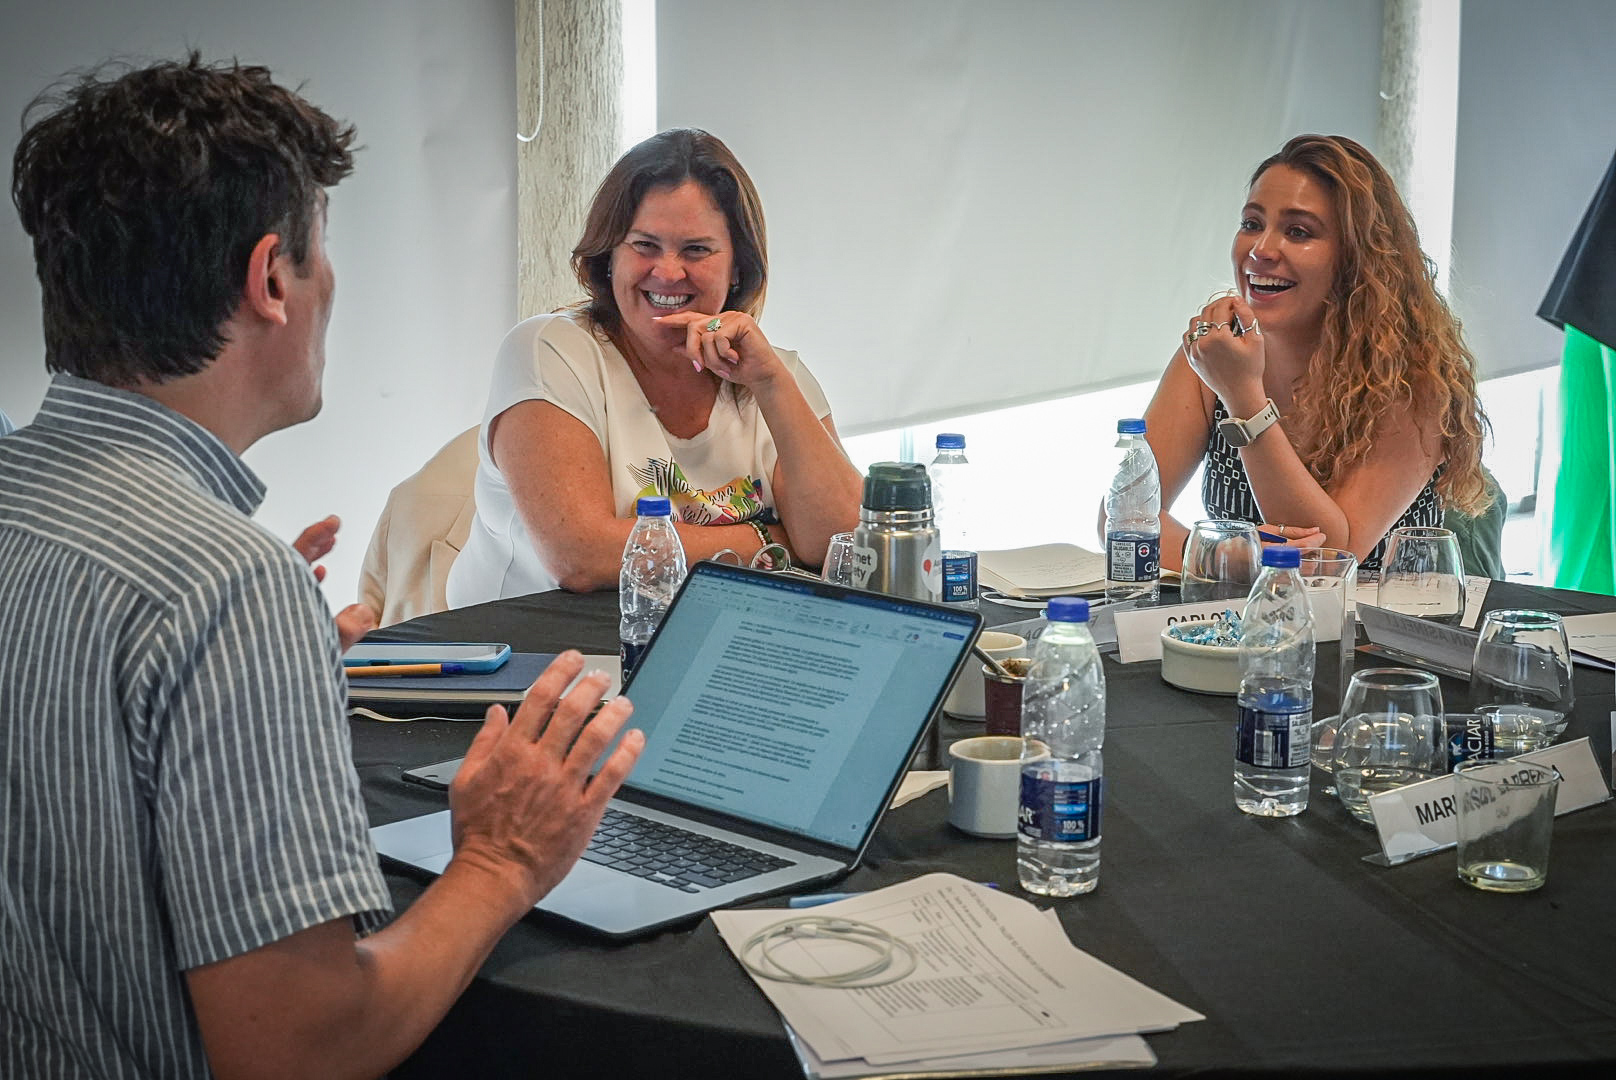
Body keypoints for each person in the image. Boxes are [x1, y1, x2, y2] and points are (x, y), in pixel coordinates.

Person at [0, 55, 642, 1078]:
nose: (331, 284)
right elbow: (300, 1051)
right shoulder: (221, 585)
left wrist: (242, 673)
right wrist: (502, 859)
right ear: (270, 280)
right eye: (322, 250)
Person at [447, 128, 862, 603]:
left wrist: (770, 383)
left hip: (696, 636)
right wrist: (770, 542)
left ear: (738, 267)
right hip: (527, 643)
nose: (667, 272)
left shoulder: (772, 373)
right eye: (644, 245)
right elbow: (581, 556)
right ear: (609, 256)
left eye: (696, 249)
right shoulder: (548, 351)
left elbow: (844, 544)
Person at [1138, 134, 1490, 573]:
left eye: (1298, 232)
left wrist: (1244, 396)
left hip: (1378, 615)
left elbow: (1329, 561)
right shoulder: (1214, 353)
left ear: (1355, 258)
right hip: (1251, 612)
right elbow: (1125, 521)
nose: (1260, 250)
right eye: (1252, 223)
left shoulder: (1411, 379)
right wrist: (1230, 556)